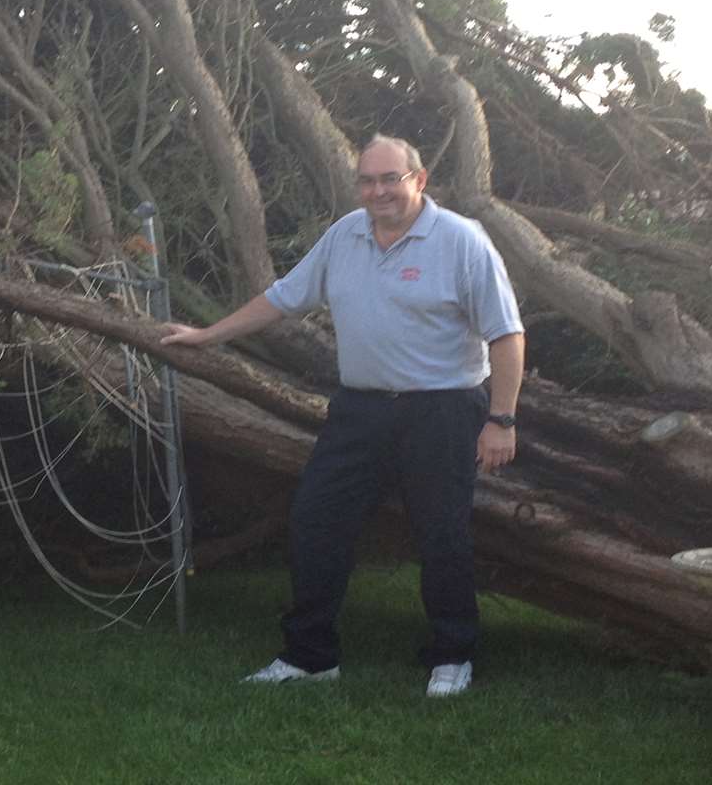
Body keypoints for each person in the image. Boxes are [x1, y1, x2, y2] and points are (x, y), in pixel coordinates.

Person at [160, 134, 524, 697]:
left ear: (419, 180)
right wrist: (208, 336)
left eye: (390, 179)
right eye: (368, 180)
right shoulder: (345, 235)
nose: (378, 191)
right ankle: (310, 657)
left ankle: (452, 656)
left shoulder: (460, 241)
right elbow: (283, 297)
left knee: (441, 534)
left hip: (444, 410)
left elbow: (506, 334)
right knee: (315, 521)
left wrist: (501, 419)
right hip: (360, 410)